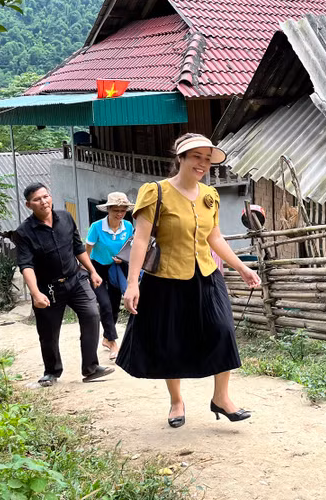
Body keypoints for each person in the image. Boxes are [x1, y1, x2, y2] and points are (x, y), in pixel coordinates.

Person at [117, 133, 261, 428]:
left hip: (206, 275)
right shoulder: (155, 192)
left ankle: (221, 397)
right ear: (180, 158)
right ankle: (176, 401)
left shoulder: (210, 196)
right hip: (166, 279)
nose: (203, 164)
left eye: (207, 159)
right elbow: (141, 240)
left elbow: (214, 237)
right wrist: (133, 283)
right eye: (196, 157)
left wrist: (241, 268)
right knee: (172, 342)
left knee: (223, 331)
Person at [15, 183, 115, 387]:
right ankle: (51, 371)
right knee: (48, 331)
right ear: (28, 204)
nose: (43, 201)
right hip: (48, 288)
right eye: (37, 199)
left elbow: (78, 247)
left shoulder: (66, 218)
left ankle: (91, 368)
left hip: (75, 279)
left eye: (46, 196)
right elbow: (26, 265)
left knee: (92, 315)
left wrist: (93, 271)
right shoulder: (24, 232)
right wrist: (35, 293)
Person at [85, 192, 135, 361]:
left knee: (113, 306)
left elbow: (131, 247)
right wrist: (88, 271)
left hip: (117, 268)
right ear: (108, 210)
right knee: (104, 304)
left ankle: (107, 338)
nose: (119, 213)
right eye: (116, 210)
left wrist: (123, 259)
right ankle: (113, 342)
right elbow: (87, 250)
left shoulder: (127, 226)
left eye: (123, 210)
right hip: (98, 268)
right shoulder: (96, 227)